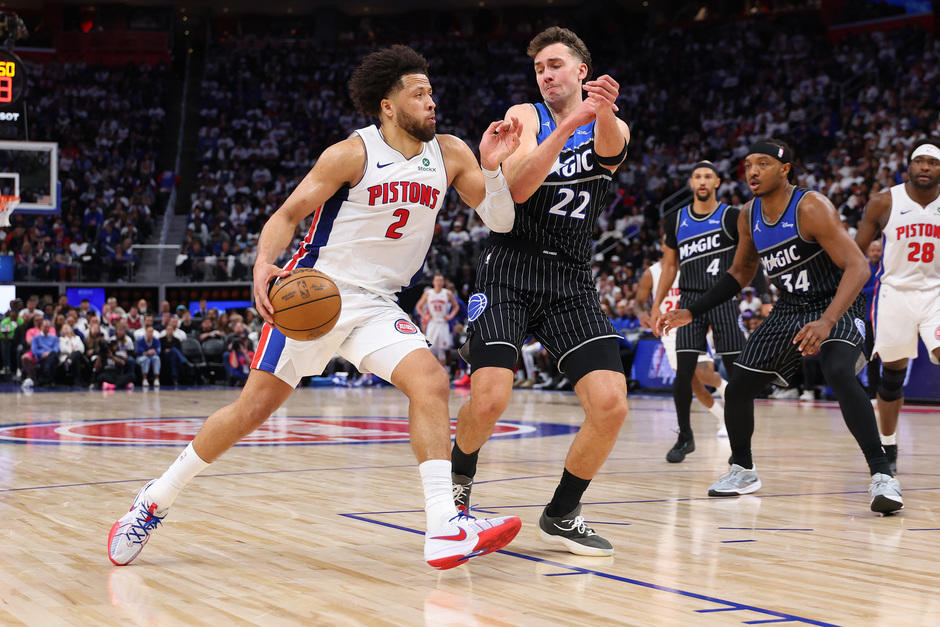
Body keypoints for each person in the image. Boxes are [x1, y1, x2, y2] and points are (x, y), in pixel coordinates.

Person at [108, 45, 524, 570]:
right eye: (418, 93)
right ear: (387, 105)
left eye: (431, 91)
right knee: (249, 413)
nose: (431, 101)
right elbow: (288, 215)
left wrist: (493, 169)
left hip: (376, 304)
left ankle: (444, 524)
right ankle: (154, 501)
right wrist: (263, 264)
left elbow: (501, 220)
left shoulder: (451, 152)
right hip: (316, 294)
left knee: (432, 382)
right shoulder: (350, 154)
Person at [450, 27, 630, 556]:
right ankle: (456, 493)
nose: (546, 75)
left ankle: (562, 511)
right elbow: (521, 185)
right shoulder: (525, 116)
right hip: (510, 267)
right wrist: (564, 126)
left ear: (582, 71)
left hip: (569, 279)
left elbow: (610, 146)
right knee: (489, 399)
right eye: (538, 69)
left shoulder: (612, 126)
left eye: (555, 65)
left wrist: (591, 117)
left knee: (611, 403)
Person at [659, 139, 902, 514]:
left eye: (763, 163)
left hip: (835, 301)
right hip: (791, 308)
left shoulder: (811, 206)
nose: (753, 171)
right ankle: (743, 469)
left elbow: (858, 267)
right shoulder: (747, 214)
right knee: (738, 386)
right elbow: (740, 272)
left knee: (838, 370)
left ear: (785, 169)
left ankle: (882, 475)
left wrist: (827, 321)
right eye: (748, 165)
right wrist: (692, 309)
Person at [854, 139, 940, 474]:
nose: (924, 168)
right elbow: (856, 250)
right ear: (909, 165)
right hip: (894, 293)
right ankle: (888, 446)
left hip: (936, 293)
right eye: (919, 161)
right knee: (891, 377)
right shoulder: (884, 201)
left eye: (931, 163)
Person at [650, 161, 746, 462]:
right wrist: (657, 304)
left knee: (737, 371)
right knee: (684, 371)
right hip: (689, 304)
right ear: (691, 183)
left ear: (717, 182)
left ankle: (741, 441)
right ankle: (685, 436)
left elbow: (748, 259)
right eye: (697, 176)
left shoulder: (732, 216)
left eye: (708, 176)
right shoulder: (676, 219)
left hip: (723, 299)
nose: (702, 181)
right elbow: (669, 266)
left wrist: (766, 295)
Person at [635, 256, 728, 437]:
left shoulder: (692, 266)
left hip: (692, 325)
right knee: (691, 383)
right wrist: (641, 314)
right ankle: (723, 417)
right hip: (669, 333)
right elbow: (639, 302)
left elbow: (709, 291)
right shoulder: (652, 273)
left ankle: (730, 394)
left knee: (704, 374)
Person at [415, 274, 459, 366]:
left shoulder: (447, 293)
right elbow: (418, 307)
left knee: (442, 350)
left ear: (443, 282)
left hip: (443, 323)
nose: (439, 282)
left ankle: (445, 371)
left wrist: (450, 316)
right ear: (433, 282)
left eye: (440, 280)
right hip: (432, 323)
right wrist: (425, 316)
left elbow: (456, 306)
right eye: (437, 280)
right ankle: (431, 370)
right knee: (430, 347)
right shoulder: (428, 293)